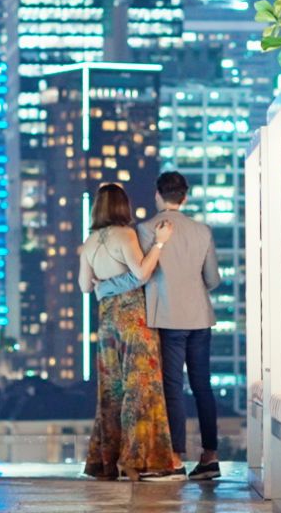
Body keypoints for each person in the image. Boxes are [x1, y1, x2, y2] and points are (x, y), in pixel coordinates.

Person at [97, 171, 222, 481]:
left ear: (157, 195)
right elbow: (213, 280)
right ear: (185, 197)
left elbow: (141, 273)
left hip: (166, 318)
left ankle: (175, 458)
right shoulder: (202, 231)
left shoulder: (144, 229)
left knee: (172, 388)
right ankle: (210, 458)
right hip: (200, 317)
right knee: (203, 387)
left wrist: (105, 287)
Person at [78, 183, 183, 482]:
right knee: (142, 385)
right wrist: (159, 244)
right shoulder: (125, 235)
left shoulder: (89, 242)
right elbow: (141, 273)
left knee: (111, 390)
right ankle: (137, 460)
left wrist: (107, 282)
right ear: (122, 206)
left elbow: (86, 287)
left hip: (107, 319)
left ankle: (107, 461)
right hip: (133, 318)